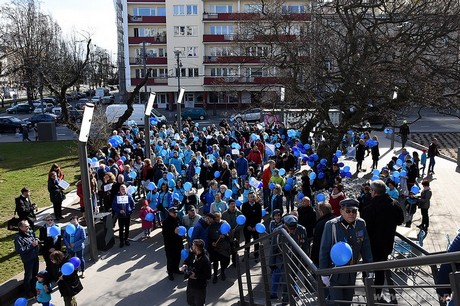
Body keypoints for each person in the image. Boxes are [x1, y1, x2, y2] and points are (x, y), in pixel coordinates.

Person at [319, 199, 373, 305]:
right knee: (336, 302)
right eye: (348, 211)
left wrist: (369, 269)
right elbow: (324, 250)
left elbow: (366, 247)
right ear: (341, 211)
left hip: (352, 271)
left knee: (347, 302)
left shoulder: (360, 224)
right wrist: (324, 273)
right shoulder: (331, 225)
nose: (352, 214)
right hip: (335, 272)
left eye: (354, 211)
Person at [361, 180, 404, 303]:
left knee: (367, 270)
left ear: (374, 192)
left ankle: (370, 295)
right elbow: (400, 220)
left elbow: (366, 228)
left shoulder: (370, 208)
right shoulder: (394, 204)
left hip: (371, 246)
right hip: (386, 244)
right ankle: (377, 296)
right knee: (380, 271)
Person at [181, 239, 212, 306]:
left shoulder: (205, 260)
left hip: (199, 288)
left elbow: (208, 276)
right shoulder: (192, 254)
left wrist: (196, 275)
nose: (192, 247)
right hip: (190, 285)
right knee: (190, 302)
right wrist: (185, 265)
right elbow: (187, 261)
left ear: (197, 248)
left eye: (193, 246)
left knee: (199, 304)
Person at [14, 220, 40, 298]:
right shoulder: (18, 237)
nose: (28, 227)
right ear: (21, 227)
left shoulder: (30, 232)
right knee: (29, 276)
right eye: (26, 226)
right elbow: (20, 250)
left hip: (35, 257)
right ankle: (28, 292)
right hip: (28, 260)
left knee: (35, 274)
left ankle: (34, 289)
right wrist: (32, 245)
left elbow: (35, 238)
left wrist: (37, 240)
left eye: (28, 225)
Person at [208, 212, 231, 283]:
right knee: (215, 262)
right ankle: (215, 275)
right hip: (215, 246)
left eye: (218, 217)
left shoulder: (224, 223)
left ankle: (222, 272)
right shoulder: (211, 225)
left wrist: (225, 236)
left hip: (223, 246)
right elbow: (209, 236)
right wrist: (212, 243)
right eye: (216, 217)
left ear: (220, 217)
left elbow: (229, 233)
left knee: (223, 261)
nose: (217, 218)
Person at [162, 207, 184, 281]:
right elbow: (164, 234)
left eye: (176, 212)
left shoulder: (177, 219)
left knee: (177, 257)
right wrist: (173, 232)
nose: (175, 214)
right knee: (170, 259)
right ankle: (170, 273)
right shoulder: (166, 222)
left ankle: (176, 269)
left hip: (178, 242)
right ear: (169, 213)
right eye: (174, 212)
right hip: (170, 244)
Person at [39, 214, 62, 283]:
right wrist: (49, 248)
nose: (50, 221)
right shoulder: (42, 229)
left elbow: (59, 240)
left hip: (56, 250)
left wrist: (55, 249)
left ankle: (56, 278)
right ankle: (50, 277)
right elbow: (42, 240)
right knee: (49, 264)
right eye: (48, 220)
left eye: (51, 220)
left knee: (56, 264)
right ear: (45, 221)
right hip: (47, 250)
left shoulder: (57, 227)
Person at [241, 191, 262, 261]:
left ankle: (256, 255)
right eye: (251, 197)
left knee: (256, 241)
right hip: (247, 227)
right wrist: (247, 226)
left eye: (253, 197)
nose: (252, 198)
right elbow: (243, 217)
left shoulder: (258, 205)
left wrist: (255, 226)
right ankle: (246, 255)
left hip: (255, 227)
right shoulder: (244, 205)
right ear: (248, 198)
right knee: (247, 241)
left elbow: (259, 217)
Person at [268, 209, 283, 299]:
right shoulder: (272, 223)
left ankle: (274, 293)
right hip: (273, 247)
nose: (277, 217)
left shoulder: (283, 224)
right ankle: (274, 293)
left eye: (278, 215)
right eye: (275, 216)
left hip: (280, 250)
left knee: (278, 271)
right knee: (277, 271)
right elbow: (270, 232)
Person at [222, 199, 243, 266]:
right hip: (227, 234)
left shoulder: (239, 213)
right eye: (231, 204)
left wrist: (236, 229)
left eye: (234, 204)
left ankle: (234, 261)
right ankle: (227, 262)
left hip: (236, 234)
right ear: (228, 205)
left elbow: (242, 224)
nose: (233, 205)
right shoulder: (224, 214)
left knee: (235, 248)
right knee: (228, 248)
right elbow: (222, 223)